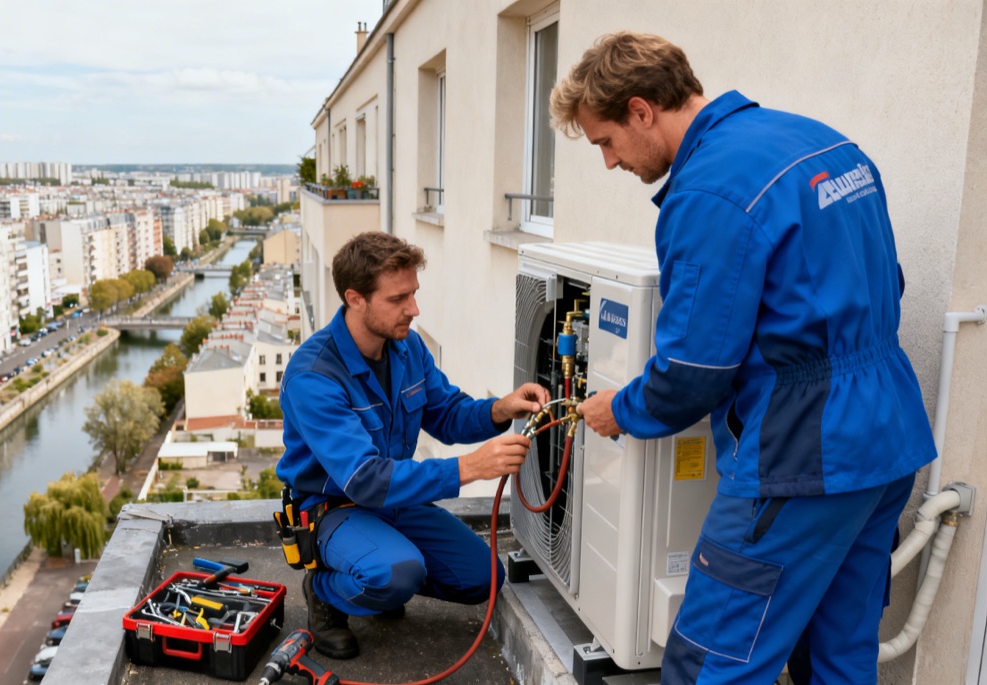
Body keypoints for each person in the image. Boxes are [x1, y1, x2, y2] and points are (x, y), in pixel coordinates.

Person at [551, 32, 936, 684]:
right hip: (887, 439)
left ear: (642, 109)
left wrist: (621, 407)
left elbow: (694, 372)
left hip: (800, 458)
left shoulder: (707, 193)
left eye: (606, 142)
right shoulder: (824, 143)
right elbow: (886, 284)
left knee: (714, 661)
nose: (610, 163)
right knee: (840, 654)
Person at [276, 231, 549, 659]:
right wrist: (469, 468)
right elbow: (364, 480)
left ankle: (383, 575)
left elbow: (445, 413)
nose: (414, 309)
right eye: (398, 299)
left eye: (414, 294)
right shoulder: (314, 377)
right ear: (355, 298)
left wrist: (501, 408)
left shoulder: (406, 348)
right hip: (334, 509)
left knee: (484, 577)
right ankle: (327, 592)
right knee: (394, 574)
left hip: (396, 499)